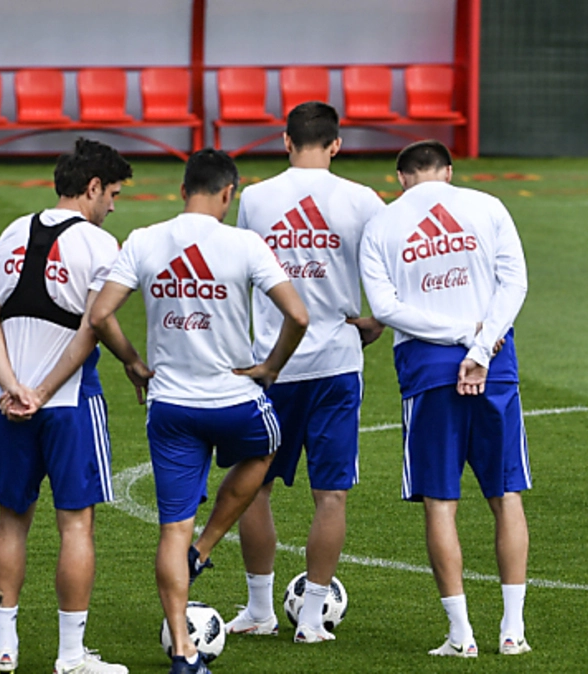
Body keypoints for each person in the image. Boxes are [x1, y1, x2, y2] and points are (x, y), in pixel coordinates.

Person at [88, 149, 309, 674]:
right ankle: (205, 547)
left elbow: (100, 314)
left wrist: (133, 362)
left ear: (184, 189)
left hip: (170, 406)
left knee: (172, 530)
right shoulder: (244, 243)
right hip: (234, 399)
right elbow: (298, 315)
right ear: (229, 192)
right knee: (268, 448)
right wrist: (271, 367)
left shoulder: (144, 240)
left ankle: (184, 653)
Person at [360, 140, 532, 657]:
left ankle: (461, 636)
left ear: (401, 177)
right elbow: (515, 284)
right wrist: (480, 345)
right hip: (495, 363)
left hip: (427, 371)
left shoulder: (382, 224)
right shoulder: (488, 206)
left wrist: (458, 337)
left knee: (440, 501)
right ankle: (513, 631)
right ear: (449, 172)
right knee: (506, 494)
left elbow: (385, 308)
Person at [226, 102, 384, 643]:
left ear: (285, 140)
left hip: (271, 363)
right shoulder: (363, 200)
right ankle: (312, 619)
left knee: (254, 487)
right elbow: (388, 271)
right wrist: (376, 320)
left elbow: (243, 277)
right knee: (331, 494)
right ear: (337, 144)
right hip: (337, 362)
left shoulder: (256, 198)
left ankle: (259, 610)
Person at [0, 138, 135, 674]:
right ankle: (71, 655)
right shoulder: (99, 244)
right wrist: (43, 392)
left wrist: (13, 387)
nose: (112, 205)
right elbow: (94, 326)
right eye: (112, 194)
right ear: (92, 187)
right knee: (76, 526)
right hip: (69, 403)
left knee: (11, 521)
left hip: (8, 403)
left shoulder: (10, 233)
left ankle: (4, 647)